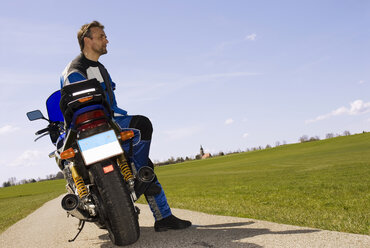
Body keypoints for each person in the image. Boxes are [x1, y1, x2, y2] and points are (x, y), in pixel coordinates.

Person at [60, 20, 191, 232]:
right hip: (93, 129)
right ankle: (140, 174)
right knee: (142, 129)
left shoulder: (100, 68)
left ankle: (162, 215)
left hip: (109, 122)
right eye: (101, 36)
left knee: (143, 154)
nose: (106, 40)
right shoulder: (75, 71)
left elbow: (110, 104)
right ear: (87, 40)